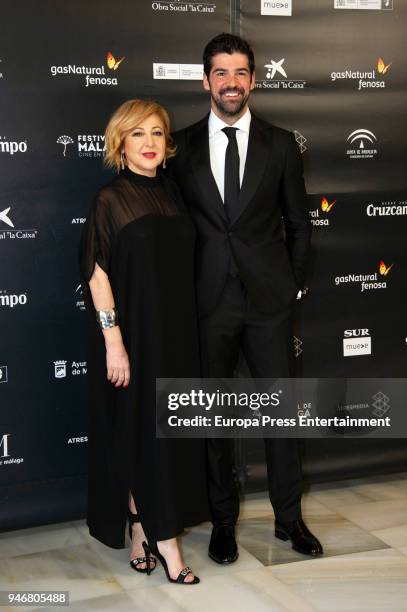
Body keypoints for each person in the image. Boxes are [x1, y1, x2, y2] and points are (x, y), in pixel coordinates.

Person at [168, 33, 323, 563]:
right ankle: (223, 523)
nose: (231, 83)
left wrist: (291, 283)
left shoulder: (280, 144)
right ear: (205, 79)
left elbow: (300, 224)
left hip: (268, 303)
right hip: (206, 302)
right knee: (215, 419)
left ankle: (288, 520)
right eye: (221, 73)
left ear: (253, 79)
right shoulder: (180, 145)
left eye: (241, 73)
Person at [80, 99, 209, 585]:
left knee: (165, 437)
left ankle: (140, 527)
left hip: (176, 335)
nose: (150, 143)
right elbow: (97, 276)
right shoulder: (110, 199)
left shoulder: (175, 194)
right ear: (120, 142)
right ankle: (168, 545)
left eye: (157, 133)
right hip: (132, 338)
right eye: (138, 134)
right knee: (143, 437)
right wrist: (114, 342)